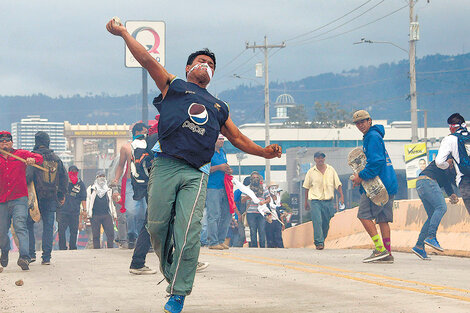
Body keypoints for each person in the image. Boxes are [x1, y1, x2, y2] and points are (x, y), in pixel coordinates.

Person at [106, 18, 281, 313]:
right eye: (201, 61)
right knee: (157, 227)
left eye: (211, 64)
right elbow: (147, 60)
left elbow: (237, 137)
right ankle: (172, 272)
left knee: (188, 232)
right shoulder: (174, 86)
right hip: (165, 166)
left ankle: (178, 293)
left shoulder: (218, 106)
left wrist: (265, 153)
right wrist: (124, 32)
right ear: (189, 68)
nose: (206, 66)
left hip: (196, 173)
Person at [350, 110, 398, 263]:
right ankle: (387, 253)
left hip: (377, 186)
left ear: (369, 120)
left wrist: (360, 176)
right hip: (388, 183)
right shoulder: (375, 135)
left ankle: (380, 249)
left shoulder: (372, 137)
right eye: (357, 123)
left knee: (363, 215)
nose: (360, 125)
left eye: (363, 121)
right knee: (383, 220)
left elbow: (376, 163)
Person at [0, 131, 43, 271]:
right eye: (2, 141)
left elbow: (39, 158)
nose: (5, 143)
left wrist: (33, 160)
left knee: (20, 226)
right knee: (1, 230)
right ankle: (5, 250)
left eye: (7, 141)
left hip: (19, 198)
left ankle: (24, 257)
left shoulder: (20, 154)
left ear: (12, 142)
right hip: (2, 200)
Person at [26, 131, 67, 265]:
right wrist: (61, 195)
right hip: (51, 198)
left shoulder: (33, 158)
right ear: (48, 142)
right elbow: (63, 179)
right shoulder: (56, 158)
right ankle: (46, 257)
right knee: (49, 227)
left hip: (35, 199)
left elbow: (28, 178)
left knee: (29, 224)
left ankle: (31, 254)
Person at [411, 160, 458, 260]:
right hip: (428, 181)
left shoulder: (449, 170)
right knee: (441, 207)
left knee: (432, 215)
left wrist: (452, 194)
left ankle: (419, 246)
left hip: (420, 183)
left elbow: (447, 182)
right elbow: (445, 162)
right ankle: (431, 236)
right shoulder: (450, 156)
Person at [112, 124, 148, 249]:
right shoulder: (126, 147)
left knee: (144, 213)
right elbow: (121, 165)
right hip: (130, 182)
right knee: (131, 211)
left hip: (146, 182)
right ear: (137, 132)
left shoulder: (148, 145)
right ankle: (132, 234)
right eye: (143, 132)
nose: (145, 134)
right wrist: (116, 179)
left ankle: (143, 240)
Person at [129, 122, 159, 275]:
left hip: (152, 186)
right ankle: (137, 262)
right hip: (156, 187)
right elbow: (146, 164)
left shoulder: (144, 142)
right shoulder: (152, 140)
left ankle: (138, 261)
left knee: (154, 223)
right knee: (152, 223)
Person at [303, 152, 344, 250]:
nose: (320, 160)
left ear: (324, 159)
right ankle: (319, 242)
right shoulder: (311, 172)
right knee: (317, 221)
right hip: (315, 201)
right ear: (315, 159)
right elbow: (306, 187)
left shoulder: (331, 170)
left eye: (322, 158)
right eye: (318, 158)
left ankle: (322, 239)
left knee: (326, 222)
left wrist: (341, 196)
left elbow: (338, 184)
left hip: (328, 201)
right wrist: (306, 202)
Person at [435, 113, 470, 215]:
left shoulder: (450, 139)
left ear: (451, 127)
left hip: (465, 181)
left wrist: (448, 165)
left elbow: (439, 162)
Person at [206, 134, 233, 250]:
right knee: (214, 214)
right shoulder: (207, 152)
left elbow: (224, 166)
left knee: (227, 214)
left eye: (223, 139)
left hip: (224, 187)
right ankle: (213, 241)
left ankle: (221, 240)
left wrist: (228, 169)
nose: (222, 141)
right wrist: (218, 167)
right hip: (212, 187)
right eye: (219, 139)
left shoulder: (223, 152)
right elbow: (205, 169)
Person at [58, 165, 86, 250]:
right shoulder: (63, 182)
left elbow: (83, 198)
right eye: (72, 172)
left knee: (74, 231)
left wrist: (85, 210)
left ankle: (73, 247)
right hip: (63, 211)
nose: (73, 173)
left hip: (75, 211)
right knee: (61, 231)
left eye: (75, 172)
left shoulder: (80, 184)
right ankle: (62, 247)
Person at [86, 170, 117, 249]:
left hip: (106, 214)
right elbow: (88, 201)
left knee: (110, 234)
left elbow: (111, 202)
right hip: (95, 215)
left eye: (103, 176)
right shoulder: (91, 189)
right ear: (96, 178)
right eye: (100, 176)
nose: (102, 178)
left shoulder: (108, 190)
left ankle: (110, 249)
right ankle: (97, 250)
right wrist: (88, 213)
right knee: (96, 235)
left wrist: (114, 214)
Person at [242, 172, 270, 248]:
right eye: (254, 178)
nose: (255, 179)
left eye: (257, 178)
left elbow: (268, 199)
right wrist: (248, 197)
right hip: (251, 212)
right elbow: (242, 200)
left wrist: (263, 202)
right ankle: (254, 247)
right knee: (253, 230)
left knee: (262, 230)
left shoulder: (264, 188)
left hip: (261, 212)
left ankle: (263, 247)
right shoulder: (247, 189)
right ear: (251, 179)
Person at [265, 181, 284, 248]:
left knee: (278, 235)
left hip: (277, 219)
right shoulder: (267, 197)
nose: (274, 190)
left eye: (275, 188)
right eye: (272, 188)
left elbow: (279, 208)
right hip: (270, 219)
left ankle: (280, 248)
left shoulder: (278, 197)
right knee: (270, 236)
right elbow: (271, 206)